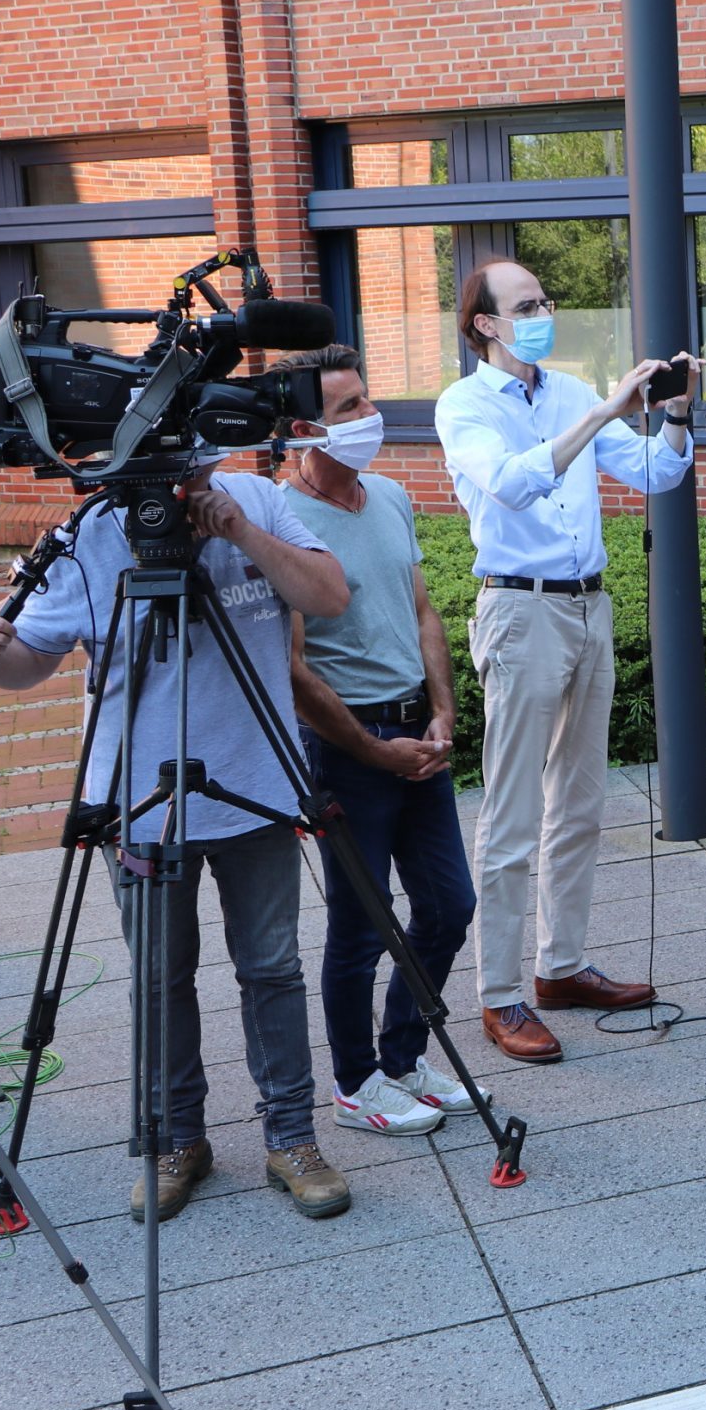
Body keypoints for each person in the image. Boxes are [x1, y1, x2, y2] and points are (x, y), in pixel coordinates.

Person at [0, 458, 355, 1222]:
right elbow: (30, 659)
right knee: (159, 977)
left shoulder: (258, 496)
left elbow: (328, 596)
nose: (180, 472)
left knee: (272, 967)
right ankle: (174, 1140)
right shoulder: (93, 529)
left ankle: (292, 1137)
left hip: (256, 785)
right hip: (137, 795)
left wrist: (236, 526)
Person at [436, 259, 696, 1063]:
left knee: (581, 803)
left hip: (590, 604)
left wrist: (677, 416)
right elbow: (511, 484)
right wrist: (602, 414)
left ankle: (562, 966)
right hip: (520, 610)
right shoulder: (463, 404)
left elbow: (654, 470)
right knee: (513, 815)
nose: (543, 312)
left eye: (546, 299)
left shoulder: (572, 389)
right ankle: (500, 995)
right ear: (484, 322)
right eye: (526, 304)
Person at [275, 344, 478, 1137]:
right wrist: (370, 746)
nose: (369, 419)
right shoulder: (282, 519)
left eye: (365, 399)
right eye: (347, 409)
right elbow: (292, 668)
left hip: (416, 737)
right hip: (349, 749)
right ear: (302, 430)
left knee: (448, 905)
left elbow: (421, 609)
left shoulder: (390, 495)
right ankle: (355, 1083)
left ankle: (402, 1055)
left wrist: (443, 710)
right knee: (362, 924)